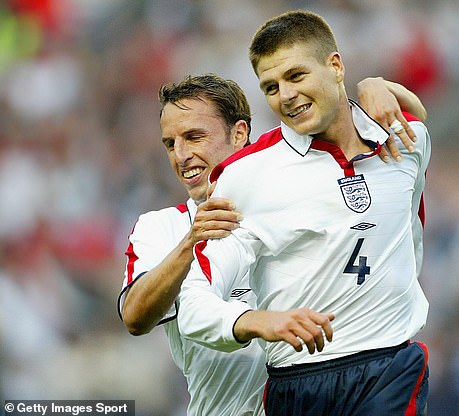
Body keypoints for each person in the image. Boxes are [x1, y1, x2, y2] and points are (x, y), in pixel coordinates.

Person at [118, 72, 427, 416]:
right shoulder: (162, 227)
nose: (181, 155)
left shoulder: (292, 191)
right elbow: (135, 317)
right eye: (170, 144)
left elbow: (399, 137)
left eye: (194, 137)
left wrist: (375, 87)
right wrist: (192, 242)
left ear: (239, 134)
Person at [176, 10, 432, 416]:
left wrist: (375, 85)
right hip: (298, 384)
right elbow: (192, 305)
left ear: (334, 65)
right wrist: (261, 321)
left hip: (389, 367)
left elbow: (411, 221)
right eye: (271, 87)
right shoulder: (244, 176)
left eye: (296, 76)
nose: (285, 95)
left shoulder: (406, 139)